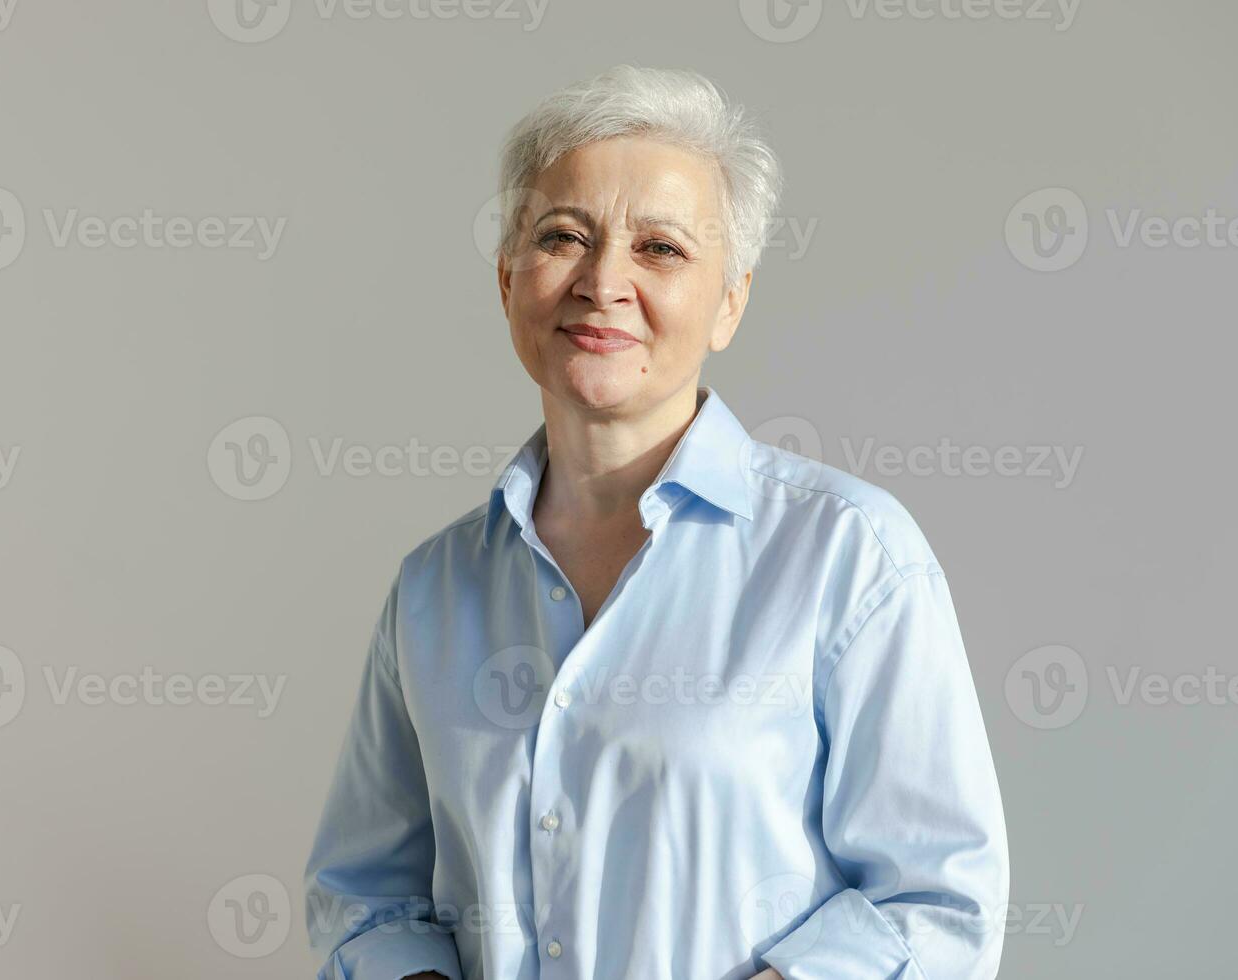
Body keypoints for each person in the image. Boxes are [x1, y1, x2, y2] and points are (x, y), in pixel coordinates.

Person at [305, 63, 1010, 980]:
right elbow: (364, 897)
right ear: (508, 278)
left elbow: (938, 903)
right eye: (563, 236)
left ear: (730, 300)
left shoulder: (852, 559)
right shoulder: (434, 589)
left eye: (662, 249)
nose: (603, 282)